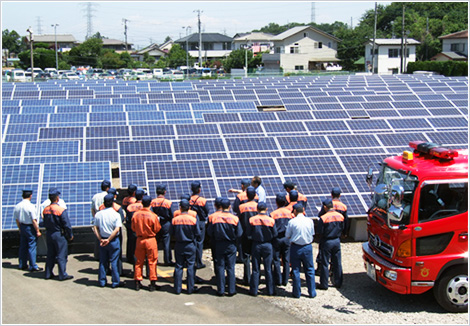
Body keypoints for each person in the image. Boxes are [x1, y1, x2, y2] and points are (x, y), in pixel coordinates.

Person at [207, 197, 243, 297]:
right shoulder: (235, 218)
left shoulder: (214, 218)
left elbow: (210, 232)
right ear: (229, 206)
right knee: (231, 267)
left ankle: (221, 290)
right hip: (231, 244)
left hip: (219, 244)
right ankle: (231, 290)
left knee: (220, 267)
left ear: (221, 207)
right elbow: (239, 233)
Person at [170, 199, 201, 295]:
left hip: (179, 244)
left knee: (178, 266)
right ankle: (190, 289)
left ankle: (177, 289)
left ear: (180, 208)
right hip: (190, 245)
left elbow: (171, 233)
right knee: (190, 266)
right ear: (189, 208)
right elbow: (198, 233)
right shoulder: (193, 220)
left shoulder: (175, 220)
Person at [285, 203, 316, 299]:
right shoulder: (310, 221)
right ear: (303, 210)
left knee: (296, 270)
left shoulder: (292, 222)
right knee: (310, 269)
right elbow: (312, 233)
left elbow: (287, 235)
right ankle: (312, 292)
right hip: (307, 247)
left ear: (294, 211)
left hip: (296, 248)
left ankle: (297, 293)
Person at [247, 202, 277, 296]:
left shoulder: (252, 220)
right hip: (268, 245)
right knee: (268, 268)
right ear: (266, 209)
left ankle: (254, 290)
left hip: (256, 245)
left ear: (257, 209)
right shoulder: (271, 220)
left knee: (255, 268)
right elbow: (275, 234)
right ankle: (270, 290)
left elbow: (248, 234)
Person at [316, 187, 349, 273]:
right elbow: (346, 221)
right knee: (335, 254)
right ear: (340, 195)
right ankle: (333, 270)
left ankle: (320, 269)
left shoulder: (328, 205)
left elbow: (321, 216)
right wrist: (345, 233)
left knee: (323, 252)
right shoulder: (343, 207)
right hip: (337, 233)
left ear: (331, 195)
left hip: (327, 233)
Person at [132, 195, 162, 291]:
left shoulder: (136, 215)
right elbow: (157, 229)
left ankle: (137, 282)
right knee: (152, 261)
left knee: (139, 261)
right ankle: (152, 283)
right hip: (150, 240)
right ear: (150, 203)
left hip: (139, 240)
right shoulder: (153, 216)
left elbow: (133, 228)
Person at [43, 188, 74, 280]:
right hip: (59, 235)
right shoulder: (60, 210)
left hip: (49, 234)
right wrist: (70, 235)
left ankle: (48, 273)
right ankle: (62, 274)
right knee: (61, 254)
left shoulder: (45, 210)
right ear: (57, 198)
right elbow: (67, 224)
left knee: (50, 254)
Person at [93, 193, 123, 288]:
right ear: (112, 203)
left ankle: (102, 281)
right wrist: (109, 239)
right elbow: (117, 229)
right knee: (114, 261)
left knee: (103, 261)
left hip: (102, 240)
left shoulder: (98, 214)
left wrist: (101, 239)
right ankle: (115, 282)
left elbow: (95, 228)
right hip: (113, 241)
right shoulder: (116, 215)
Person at [317, 198, 345, 290]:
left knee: (325, 263)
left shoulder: (323, 218)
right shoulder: (340, 216)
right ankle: (338, 282)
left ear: (325, 207)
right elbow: (343, 227)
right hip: (337, 241)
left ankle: (324, 284)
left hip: (327, 241)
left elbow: (320, 231)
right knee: (337, 262)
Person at [14, 189, 43, 272]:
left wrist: (20, 228)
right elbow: (34, 220)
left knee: (23, 246)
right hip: (30, 227)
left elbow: (17, 220)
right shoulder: (30, 206)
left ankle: (22, 264)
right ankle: (33, 265)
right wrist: (37, 230)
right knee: (32, 246)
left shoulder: (17, 206)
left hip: (22, 226)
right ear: (30, 196)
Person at [99, 187, 125, 275]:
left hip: (103, 234)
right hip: (115, 234)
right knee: (116, 255)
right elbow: (121, 221)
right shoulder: (117, 208)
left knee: (104, 257)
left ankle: (105, 272)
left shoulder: (101, 207)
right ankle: (118, 272)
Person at [238, 186, 259, 285]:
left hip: (245, 234)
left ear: (246, 195)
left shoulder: (242, 207)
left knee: (246, 257)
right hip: (256, 234)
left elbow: (239, 218)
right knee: (255, 257)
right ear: (255, 195)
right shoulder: (259, 206)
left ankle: (247, 279)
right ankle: (256, 279)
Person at [270, 193, 293, 286]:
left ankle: (278, 279)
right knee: (286, 259)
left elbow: (271, 227)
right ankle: (285, 280)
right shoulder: (290, 214)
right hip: (287, 238)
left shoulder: (273, 214)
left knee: (276, 259)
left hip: (277, 239)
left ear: (276, 202)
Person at [151, 184, 174, 266]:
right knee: (166, 243)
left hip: (155, 224)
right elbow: (172, 215)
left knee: (155, 242)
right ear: (165, 192)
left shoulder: (152, 202)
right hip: (166, 224)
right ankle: (167, 260)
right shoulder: (168, 203)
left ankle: (154, 259)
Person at [189, 181, 210, 270]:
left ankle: (192, 260)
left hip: (191, 222)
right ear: (199, 190)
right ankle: (199, 262)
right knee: (200, 242)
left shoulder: (188, 199)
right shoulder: (203, 200)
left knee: (193, 241)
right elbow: (207, 210)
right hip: (201, 222)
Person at [91, 180, 111, 260]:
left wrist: (95, 218)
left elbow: (92, 209)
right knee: (107, 237)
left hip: (97, 218)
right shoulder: (108, 196)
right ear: (107, 188)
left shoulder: (95, 196)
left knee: (98, 237)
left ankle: (97, 255)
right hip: (106, 218)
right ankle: (106, 256)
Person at [125, 189, 145, 265]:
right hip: (142, 230)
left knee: (132, 245)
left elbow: (128, 219)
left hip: (133, 229)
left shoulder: (130, 207)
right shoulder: (144, 206)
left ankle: (132, 259)